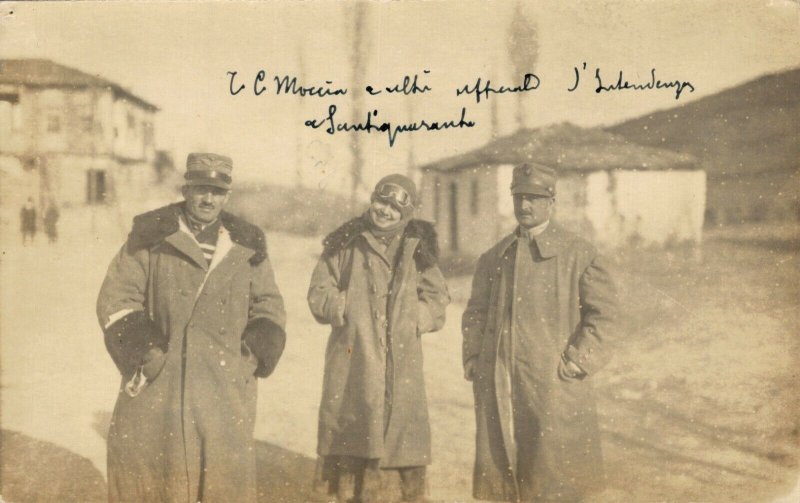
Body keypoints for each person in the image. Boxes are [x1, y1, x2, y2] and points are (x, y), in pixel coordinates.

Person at [96, 153, 287, 503]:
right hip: (159, 381)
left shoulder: (246, 244)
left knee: (222, 482)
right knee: (152, 476)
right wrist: (149, 355)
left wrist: (250, 359)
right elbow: (117, 297)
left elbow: (269, 305)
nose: (208, 199)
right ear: (186, 190)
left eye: (217, 191)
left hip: (223, 386)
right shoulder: (151, 235)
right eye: (200, 189)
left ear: (227, 195)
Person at [462, 163, 619, 502]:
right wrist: (474, 356)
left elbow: (605, 316)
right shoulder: (494, 257)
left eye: (534, 198)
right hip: (502, 379)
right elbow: (475, 311)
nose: (525, 206)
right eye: (519, 197)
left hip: (553, 383)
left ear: (552, 201)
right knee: (506, 469)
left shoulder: (579, 253)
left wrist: (578, 360)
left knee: (554, 475)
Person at [308, 174, 450, 503]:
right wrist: (337, 304)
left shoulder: (418, 247)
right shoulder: (346, 241)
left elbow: (438, 295)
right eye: (380, 202)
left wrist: (421, 316)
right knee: (354, 430)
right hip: (354, 354)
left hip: (401, 360)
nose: (384, 211)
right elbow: (318, 289)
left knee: (400, 436)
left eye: (394, 208)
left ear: (407, 214)